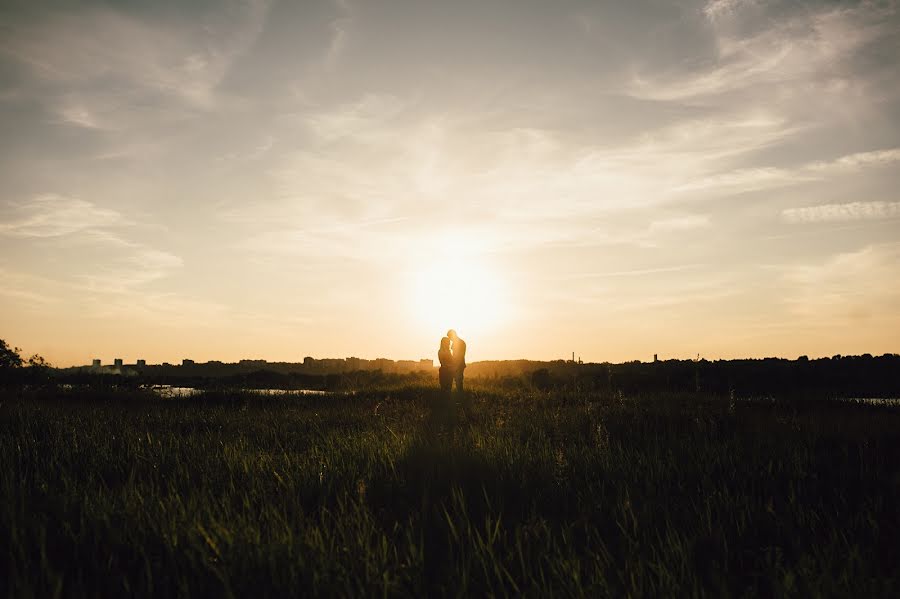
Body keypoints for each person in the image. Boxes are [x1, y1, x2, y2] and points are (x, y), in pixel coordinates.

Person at [447, 329, 466, 395]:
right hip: (456, 365)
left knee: (459, 382)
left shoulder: (460, 343)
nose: (449, 339)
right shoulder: (456, 342)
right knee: (457, 381)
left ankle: (460, 396)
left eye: (449, 337)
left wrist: (455, 366)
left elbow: (460, 356)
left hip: (459, 365)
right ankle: (458, 396)